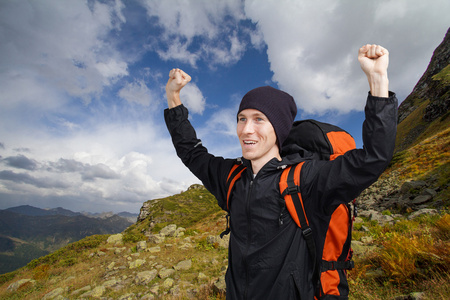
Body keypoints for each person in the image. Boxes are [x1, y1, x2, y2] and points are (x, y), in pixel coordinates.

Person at [164, 44, 397, 299]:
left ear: (279, 129)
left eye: (258, 119)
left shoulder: (307, 180)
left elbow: (373, 158)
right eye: (241, 119)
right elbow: (191, 151)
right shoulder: (231, 178)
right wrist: (173, 98)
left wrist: (377, 80)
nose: (246, 130)